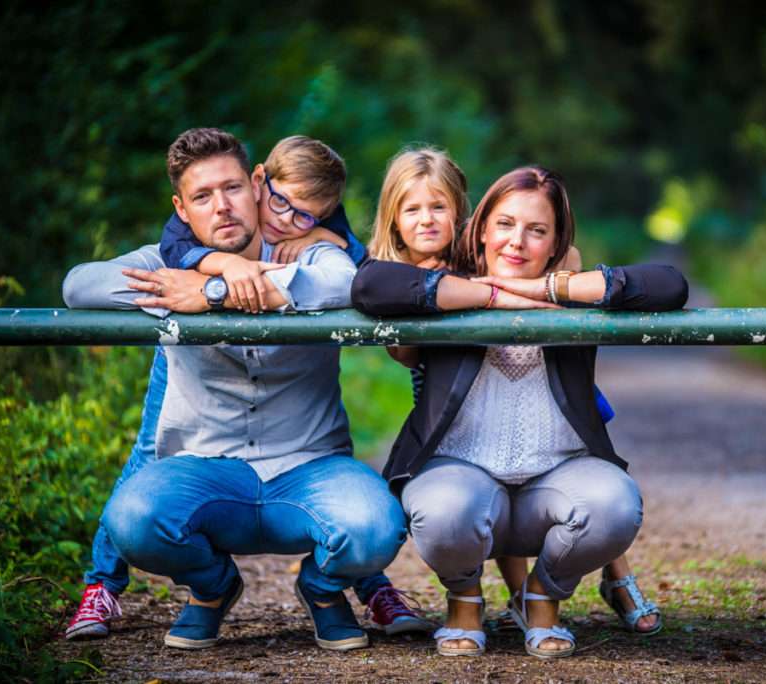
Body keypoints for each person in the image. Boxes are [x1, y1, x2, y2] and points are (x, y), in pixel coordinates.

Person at [65, 135, 433, 641]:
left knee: (374, 527)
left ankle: (325, 588)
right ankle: (211, 585)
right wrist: (210, 278)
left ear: (257, 184)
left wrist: (216, 293)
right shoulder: (167, 263)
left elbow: (344, 283)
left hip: (307, 466)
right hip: (206, 468)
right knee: (133, 517)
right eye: (202, 196)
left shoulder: (317, 251)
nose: (221, 206)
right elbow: (79, 286)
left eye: (233, 188)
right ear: (182, 208)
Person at [351, 165, 688, 658]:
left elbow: (669, 285)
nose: (517, 241)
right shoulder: (447, 284)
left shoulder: (572, 290)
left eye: (537, 231)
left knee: (616, 504)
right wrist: (491, 295)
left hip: (555, 478)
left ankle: (542, 597)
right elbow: (370, 286)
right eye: (505, 224)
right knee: (443, 512)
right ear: (481, 227)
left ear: (555, 244)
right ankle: (465, 601)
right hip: (462, 476)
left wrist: (550, 291)